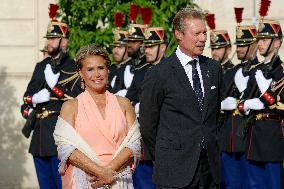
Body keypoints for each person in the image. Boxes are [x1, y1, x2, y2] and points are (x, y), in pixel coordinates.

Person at [140, 8, 222, 189]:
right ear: (179, 34)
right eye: (196, 34)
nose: (203, 39)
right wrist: (166, 155)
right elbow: (147, 125)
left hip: (209, 169)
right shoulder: (159, 73)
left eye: (204, 33)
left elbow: (214, 116)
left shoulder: (214, 69)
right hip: (174, 170)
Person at [53, 44, 141, 189]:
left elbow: (134, 144)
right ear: (80, 73)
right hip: (85, 181)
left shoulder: (124, 104)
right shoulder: (70, 107)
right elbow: (66, 148)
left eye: (101, 68)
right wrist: (100, 172)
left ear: (108, 70)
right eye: (90, 69)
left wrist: (108, 172)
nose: (97, 74)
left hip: (118, 180)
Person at [20, 5, 82, 189]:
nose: (50, 42)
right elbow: (27, 97)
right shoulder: (41, 66)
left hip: (59, 136)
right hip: (39, 137)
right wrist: (35, 99)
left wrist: (54, 88)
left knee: (63, 185)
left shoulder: (73, 67)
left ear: (65, 42)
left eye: (54, 38)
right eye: (49, 38)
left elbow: (78, 100)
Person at [237, 19, 284, 189]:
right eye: (259, 39)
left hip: (273, 137)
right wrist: (247, 104)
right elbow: (241, 106)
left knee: (273, 184)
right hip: (254, 138)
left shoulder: (281, 71)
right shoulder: (255, 70)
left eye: (265, 39)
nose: (260, 43)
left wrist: (265, 99)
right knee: (254, 185)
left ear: (277, 42)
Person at [219, 24, 258, 189]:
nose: (240, 48)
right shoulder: (231, 72)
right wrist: (222, 104)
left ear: (254, 45)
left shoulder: (261, 71)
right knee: (230, 184)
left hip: (250, 139)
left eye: (244, 44)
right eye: (239, 45)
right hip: (228, 139)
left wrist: (240, 101)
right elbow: (217, 100)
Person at [132, 27, 168, 189]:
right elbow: (129, 98)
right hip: (144, 142)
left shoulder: (174, 72)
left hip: (167, 141)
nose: (147, 50)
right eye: (146, 46)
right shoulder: (141, 72)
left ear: (163, 47)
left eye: (152, 46)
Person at [108, 29, 132, 94]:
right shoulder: (111, 68)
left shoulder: (133, 68)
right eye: (114, 47)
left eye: (120, 47)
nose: (115, 51)